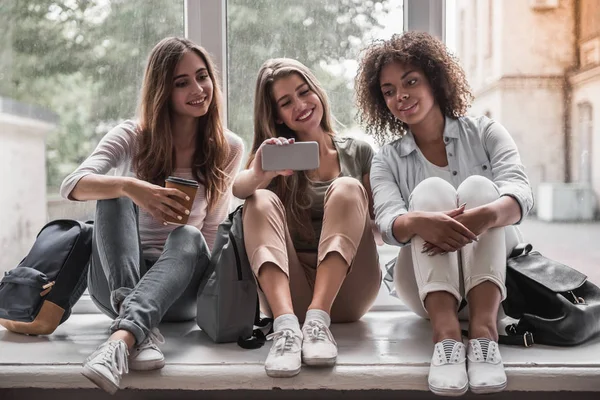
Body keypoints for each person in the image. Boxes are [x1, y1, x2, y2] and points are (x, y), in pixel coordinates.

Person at [60, 37, 244, 394]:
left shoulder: (228, 147)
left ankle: (122, 337)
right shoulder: (131, 136)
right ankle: (135, 333)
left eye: (202, 76)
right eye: (182, 82)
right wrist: (132, 187)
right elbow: (72, 185)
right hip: (117, 285)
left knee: (188, 235)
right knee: (112, 194)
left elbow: (210, 231)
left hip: (181, 291)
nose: (198, 89)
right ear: (163, 90)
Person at [354, 31, 533, 396]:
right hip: (423, 287)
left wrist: (482, 217)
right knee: (429, 193)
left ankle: (484, 336)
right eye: (388, 91)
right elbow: (388, 223)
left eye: (410, 81)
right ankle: (446, 339)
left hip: (495, 282)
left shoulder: (484, 131)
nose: (400, 96)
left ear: (434, 80)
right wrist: (421, 221)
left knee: (482, 191)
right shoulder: (387, 158)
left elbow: (521, 194)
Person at [232, 58, 382, 378]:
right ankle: (286, 330)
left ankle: (317, 321)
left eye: (304, 92)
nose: (300, 105)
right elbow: (239, 188)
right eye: (286, 102)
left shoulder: (358, 152)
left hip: (349, 291)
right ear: (276, 115)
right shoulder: (274, 158)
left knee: (347, 188)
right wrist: (261, 172)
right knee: (257, 197)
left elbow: (380, 226)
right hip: (290, 296)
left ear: (318, 91)